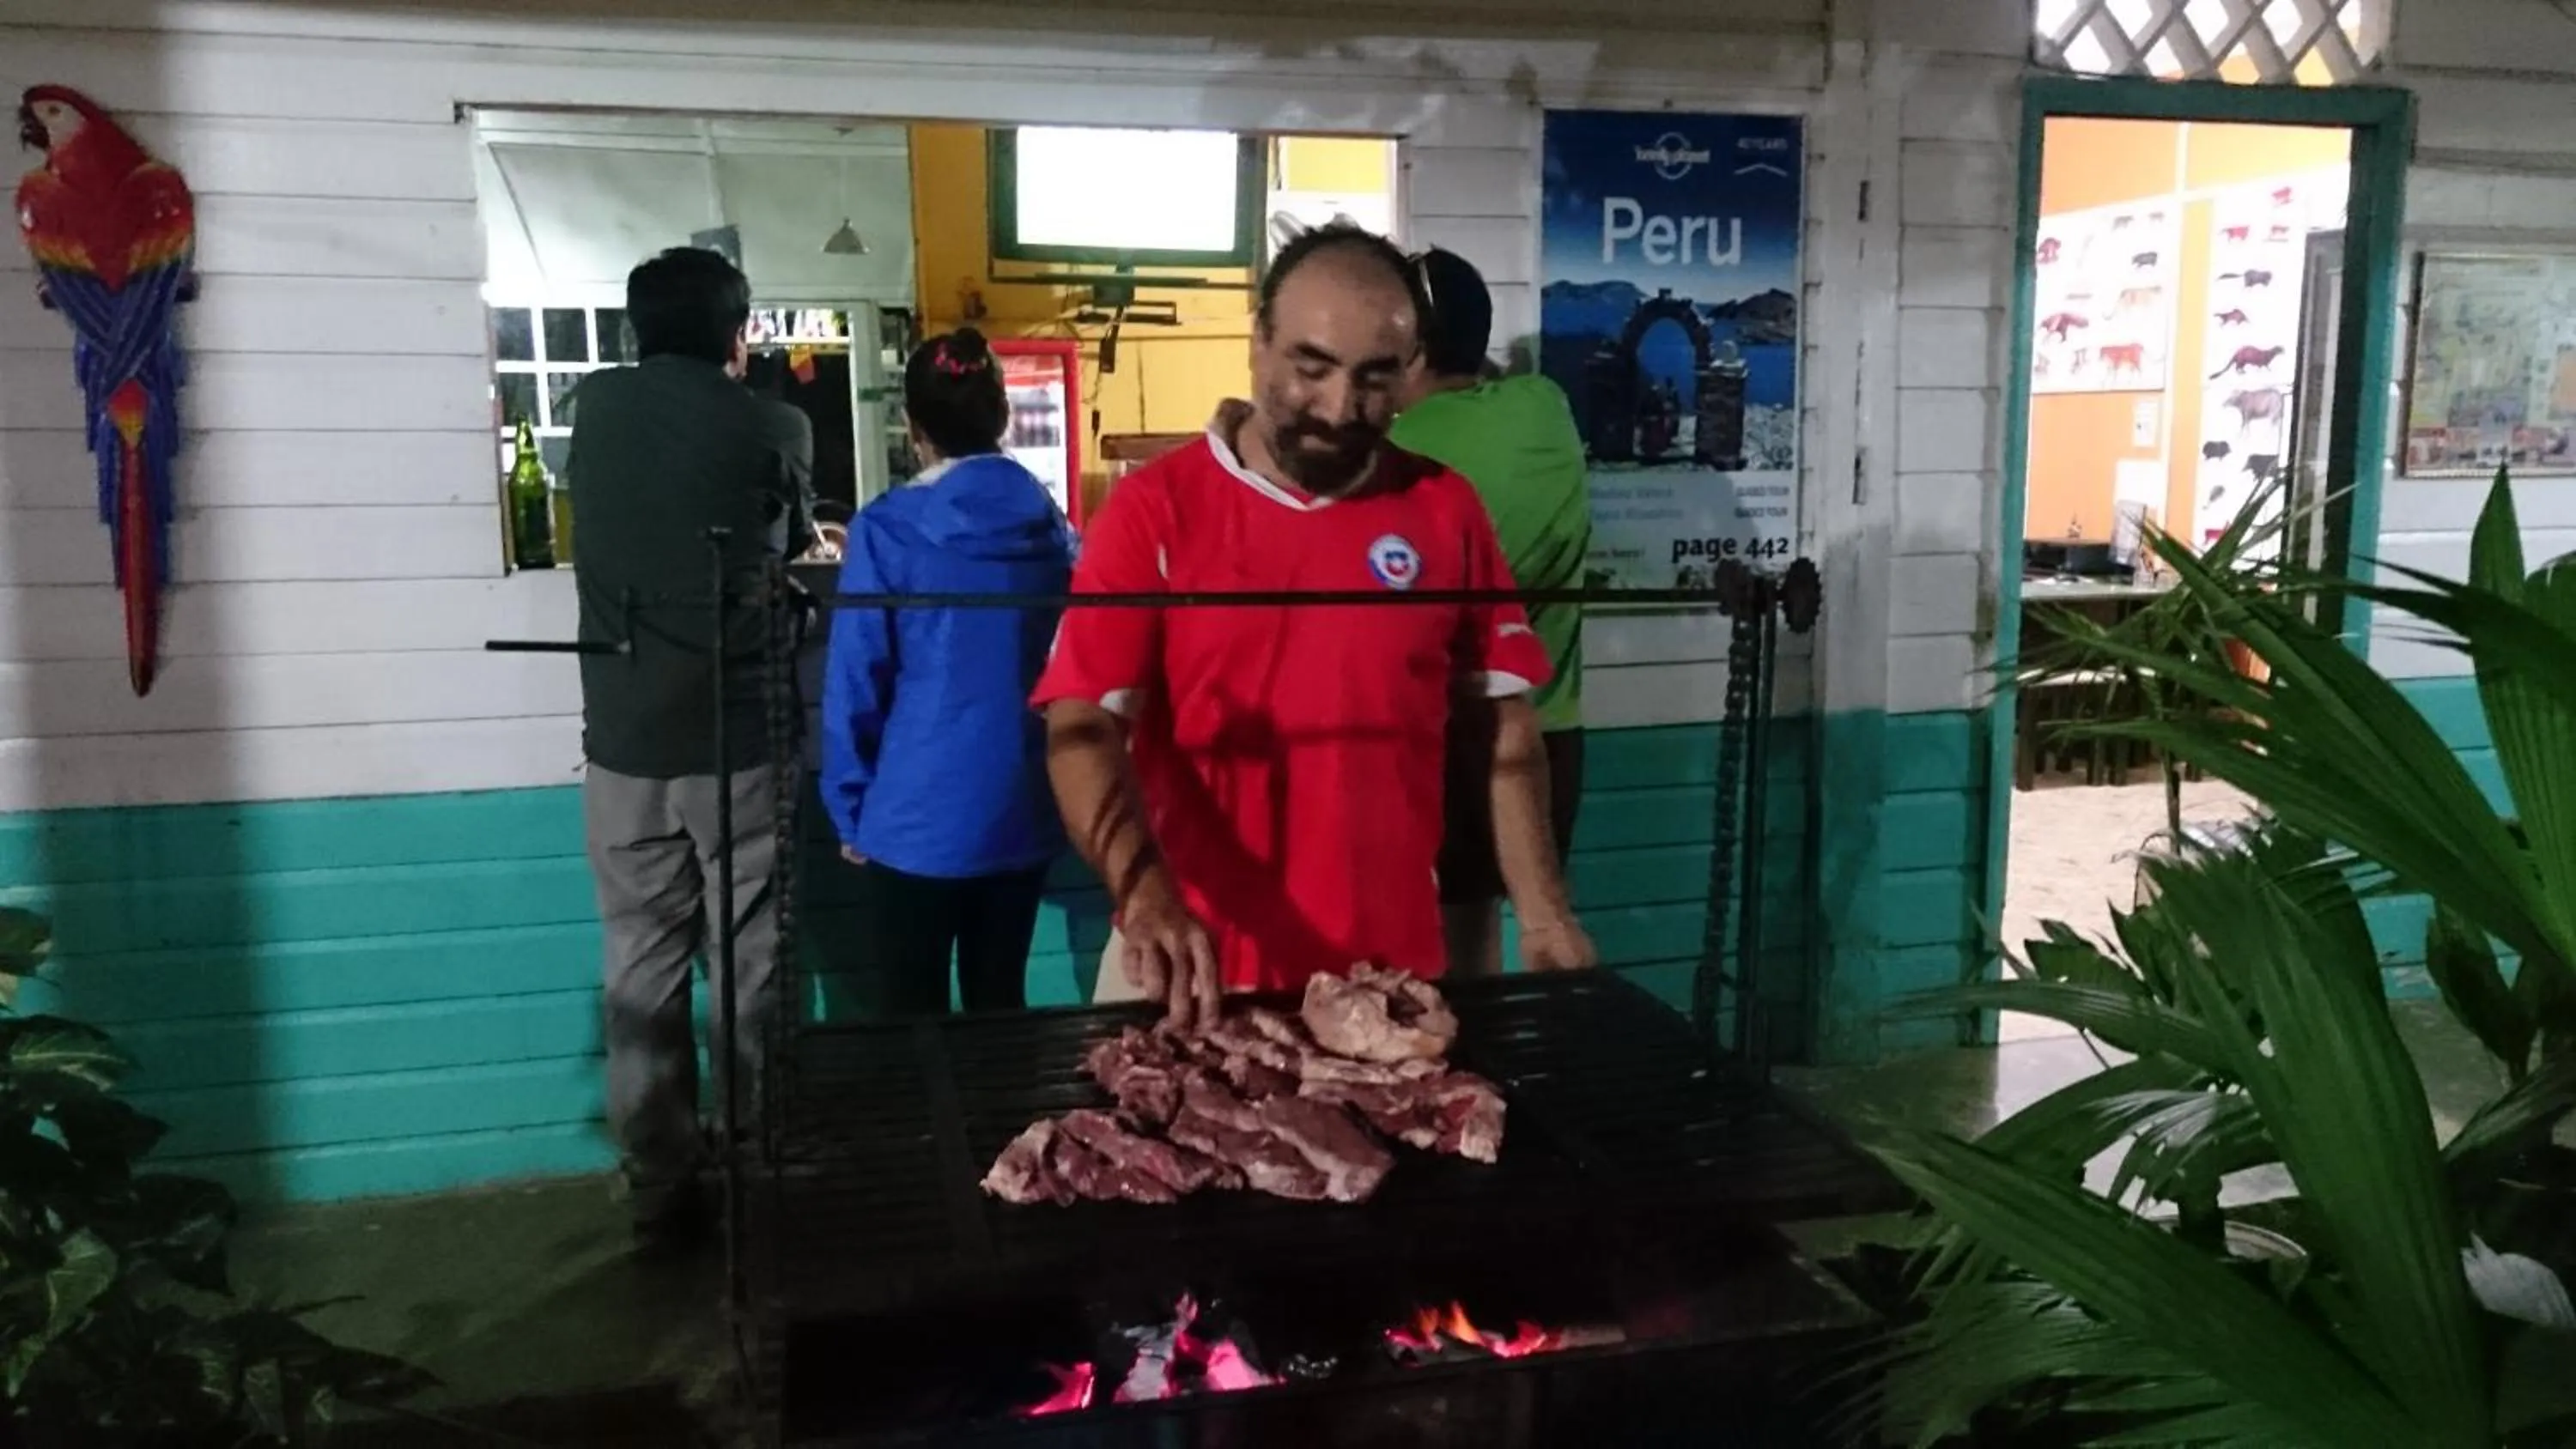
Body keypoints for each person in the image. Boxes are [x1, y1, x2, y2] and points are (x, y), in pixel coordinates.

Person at [1032, 225, 1599, 1031]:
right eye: (1312, 369)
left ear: (1410, 373)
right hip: (1187, 977)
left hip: (1391, 979)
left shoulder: (1446, 510)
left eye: (1374, 378)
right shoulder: (1154, 510)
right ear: (1257, 345)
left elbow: (1503, 727)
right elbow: (1082, 723)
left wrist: (1543, 916)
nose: (1339, 409)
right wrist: (1144, 892)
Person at [567, 246, 814, 1258]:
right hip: (736, 738)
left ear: (632, 331)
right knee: (750, 963)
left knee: (639, 966)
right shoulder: (774, 421)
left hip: (620, 746)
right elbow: (793, 536)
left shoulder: (591, 409)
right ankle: (761, 1174)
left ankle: (658, 1190)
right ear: (737, 331)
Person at [820, 328, 1076, 1016]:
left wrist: (851, 809)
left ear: (913, 425)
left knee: (914, 1021)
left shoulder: (888, 528)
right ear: (1005, 417)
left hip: (912, 816)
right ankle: (1010, 1128)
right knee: (1000, 1005)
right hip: (1022, 806)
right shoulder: (1053, 529)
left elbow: (856, 682)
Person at [1388, 248, 1594, 978]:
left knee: (1432, 975)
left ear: (1404, 348)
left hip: (1437, 742)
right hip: (1550, 739)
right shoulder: (1547, 409)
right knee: (1499, 953)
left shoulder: (1390, 451)